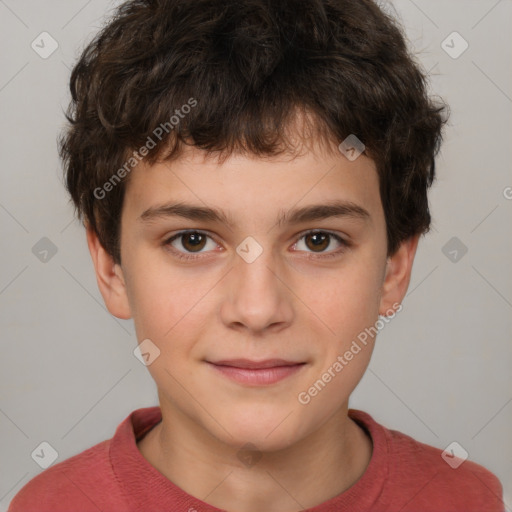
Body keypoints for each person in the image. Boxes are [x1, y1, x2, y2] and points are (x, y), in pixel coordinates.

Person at [8, 0, 504, 510]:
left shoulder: (468, 500)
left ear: (393, 269)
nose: (258, 309)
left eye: (318, 240)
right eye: (192, 241)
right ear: (111, 268)